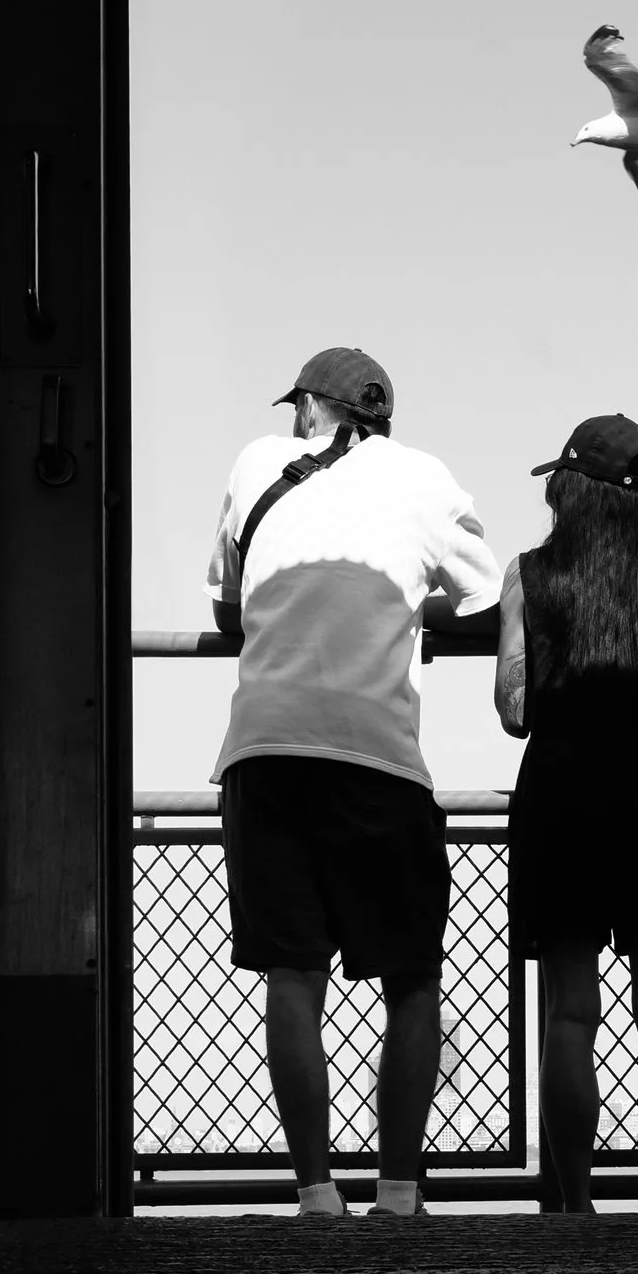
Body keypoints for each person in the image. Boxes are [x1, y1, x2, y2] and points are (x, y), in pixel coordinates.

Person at [207, 344, 500, 1216]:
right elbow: (485, 604)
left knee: (292, 978)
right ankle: (401, 1192)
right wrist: (408, 605)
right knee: (411, 977)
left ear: (308, 408)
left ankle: (315, 1192)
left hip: (264, 750)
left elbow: (227, 609)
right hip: (377, 758)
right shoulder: (424, 477)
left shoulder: (257, 464)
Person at [495, 412, 638, 1215]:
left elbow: (513, 707)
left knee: (571, 1011)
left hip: (560, 805)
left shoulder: (531, 574)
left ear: (570, 485)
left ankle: (579, 1209)